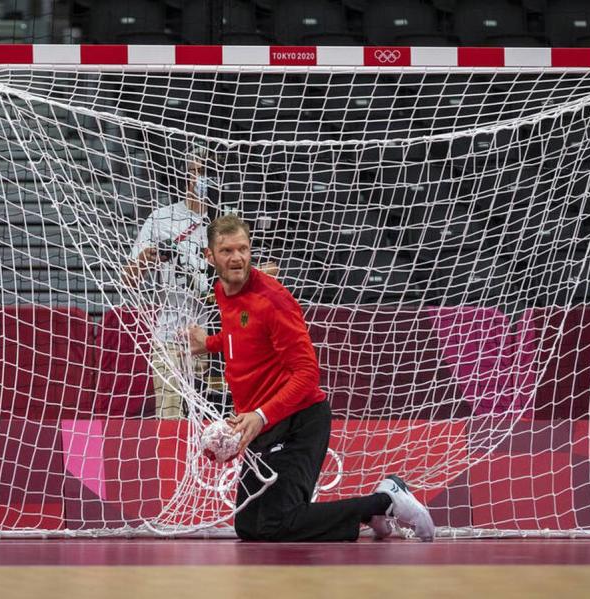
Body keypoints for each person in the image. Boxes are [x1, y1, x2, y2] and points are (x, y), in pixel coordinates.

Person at [186, 214, 435, 542]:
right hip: (263, 425)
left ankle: (387, 499)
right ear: (210, 256)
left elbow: (307, 374)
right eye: (227, 251)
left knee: (278, 523)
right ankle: (371, 512)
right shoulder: (223, 289)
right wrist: (209, 343)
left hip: (298, 420)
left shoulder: (273, 300)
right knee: (248, 527)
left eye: (243, 249)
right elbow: (243, 334)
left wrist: (260, 416)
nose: (237, 258)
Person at [121, 145, 213, 418]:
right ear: (186, 176)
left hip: (215, 334)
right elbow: (127, 279)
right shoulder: (161, 219)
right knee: (170, 420)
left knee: (211, 421)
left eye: (207, 172)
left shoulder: (226, 218)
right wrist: (147, 259)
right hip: (171, 334)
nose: (202, 179)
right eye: (197, 172)